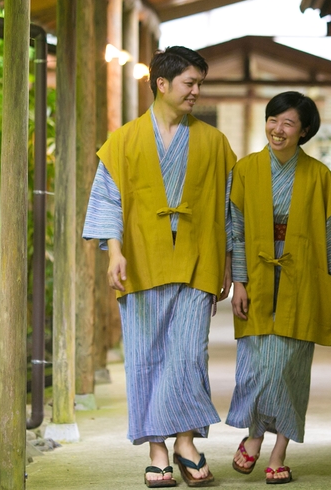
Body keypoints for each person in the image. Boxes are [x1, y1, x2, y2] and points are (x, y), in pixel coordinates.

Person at [82, 46, 236, 488]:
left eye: (200, 84)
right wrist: (114, 252)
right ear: (162, 84)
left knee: (188, 355)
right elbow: (108, 200)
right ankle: (157, 450)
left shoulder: (213, 142)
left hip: (196, 259)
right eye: (190, 83)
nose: (196, 92)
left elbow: (229, 208)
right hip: (141, 260)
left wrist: (229, 260)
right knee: (145, 357)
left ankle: (185, 441)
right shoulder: (123, 141)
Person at [226, 91, 331, 484]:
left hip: (305, 278)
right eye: (273, 120)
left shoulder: (319, 176)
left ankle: (277, 451)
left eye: (288, 123)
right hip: (258, 276)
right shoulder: (245, 170)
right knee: (256, 367)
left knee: (291, 368)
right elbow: (236, 230)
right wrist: (238, 280)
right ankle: (255, 435)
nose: (277, 130)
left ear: (304, 131)